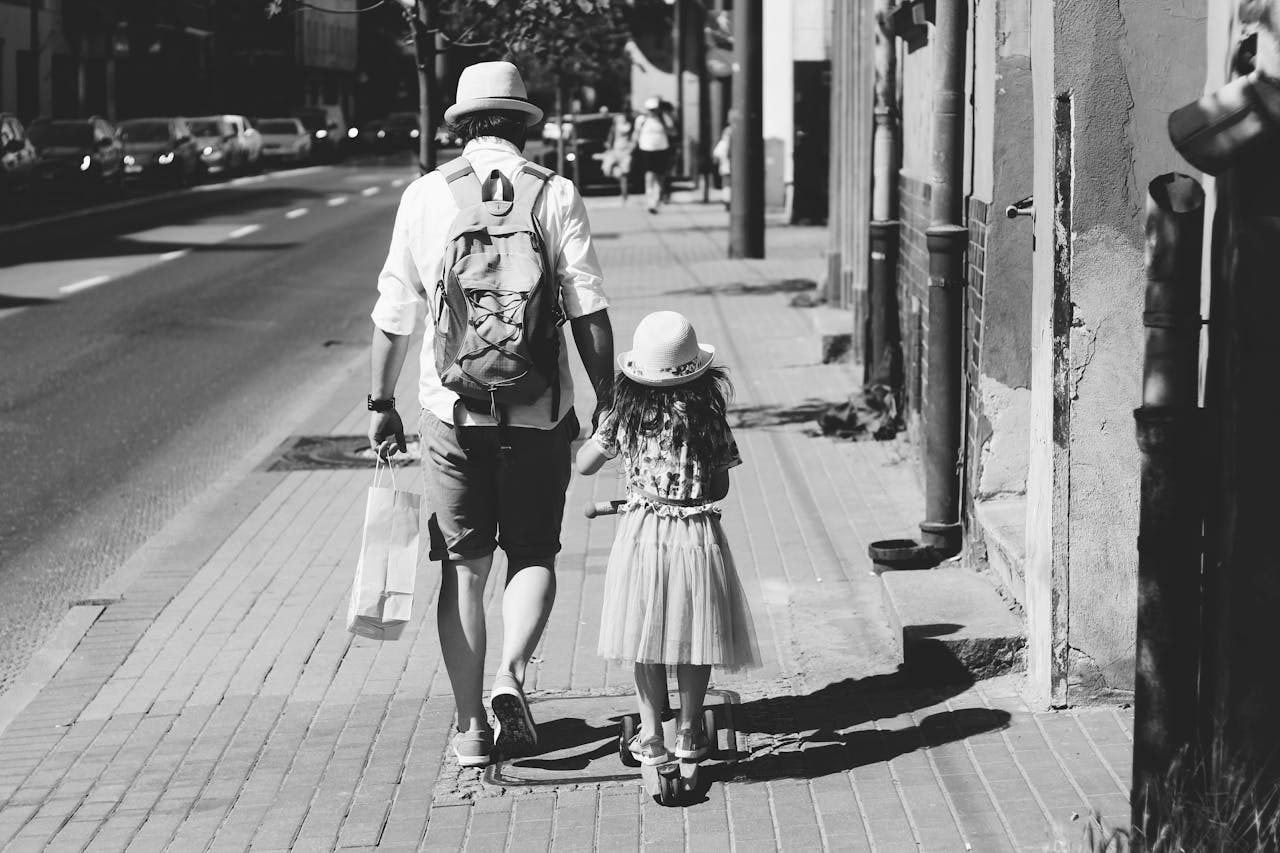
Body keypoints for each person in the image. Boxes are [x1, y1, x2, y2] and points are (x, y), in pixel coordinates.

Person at [368, 61, 615, 769]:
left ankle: (472, 727)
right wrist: (608, 399)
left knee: (464, 570)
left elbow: (396, 311)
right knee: (532, 552)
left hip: (453, 413)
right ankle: (511, 674)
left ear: (463, 125)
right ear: (522, 124)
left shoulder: (425, 195)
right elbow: (587, 308)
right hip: (540, 412)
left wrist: (381, 402)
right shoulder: (555, 191)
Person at [576, 311, 760, 766]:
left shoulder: (626, 414)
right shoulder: (708, 416)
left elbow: (584, 465)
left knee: (643, 632)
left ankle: (651, 734)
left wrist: (604, 431)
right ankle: (691, 731)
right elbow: (719, 487)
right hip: (696, 535)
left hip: (643, 534)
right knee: (697, 634)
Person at [631, 96, 674, 213]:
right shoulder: (641, 120)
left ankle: (657, 199)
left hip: (662, 149)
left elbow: (672, 132)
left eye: (655, 109)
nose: (653, 112)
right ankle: (650, 201)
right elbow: (636, 134)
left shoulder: (663, 119)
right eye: (651, 109)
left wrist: (665, 121)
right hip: (646, 149)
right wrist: (632, 146)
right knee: (649, 174)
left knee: (660, 176)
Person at [602, 107, 635, 202]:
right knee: (608, 170)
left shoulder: (632, 122)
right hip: (616, 148)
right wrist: (609, 143)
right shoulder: (617, 120)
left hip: (627, 149)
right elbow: (612, 132)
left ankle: (624, 195)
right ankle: (622, 185)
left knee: (625, 173)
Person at [711, 120, 733, 210]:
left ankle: (727, 201)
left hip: (726, 167)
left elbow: (716, 154)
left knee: (727, 185)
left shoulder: (723, 142)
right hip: (729, 167)